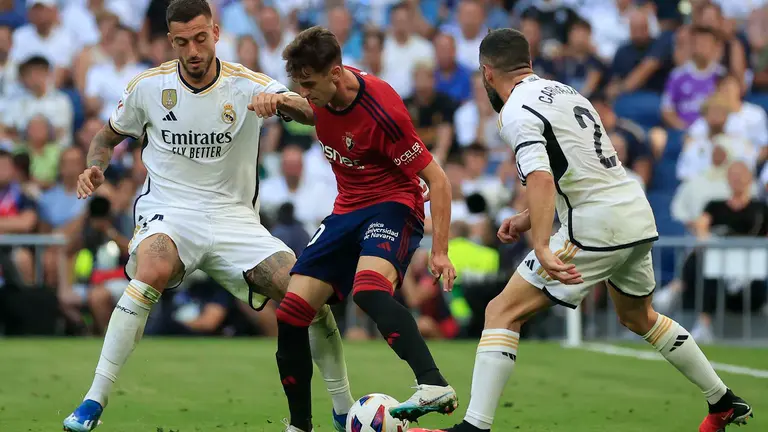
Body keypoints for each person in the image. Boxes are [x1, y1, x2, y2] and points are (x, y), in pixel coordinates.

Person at [410, 28, 753, 432]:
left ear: (487, 73)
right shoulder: (568, 93)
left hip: (595, 226)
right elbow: (576, 170)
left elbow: (540, 176)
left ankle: (474, 427)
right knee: (638, 316)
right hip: (634, 214)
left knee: (501, 311)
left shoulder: (515, 110)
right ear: (529, 63)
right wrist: (526, 217)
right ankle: (722, 400)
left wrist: (540, 244)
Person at [62, 1, 353, 431]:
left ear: (215, 33)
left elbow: (312, 111)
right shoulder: (148, 87)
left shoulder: (247, 84)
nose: (194, 50)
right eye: (183, 42)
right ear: (170, 41)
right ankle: (93, 400)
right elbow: (105, 138)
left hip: (235, 219)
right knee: (152, 269)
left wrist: (281, 102)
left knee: (305, 295)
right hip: (171, 213)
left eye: (201, 38)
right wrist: (95, 166)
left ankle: (344, 409)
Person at [273, 26, 458, 432]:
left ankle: (433, 384)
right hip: (347, 210)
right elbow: (314, 111)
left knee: (369, 291)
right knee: (291, 313)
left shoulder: (383, 111)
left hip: (393, 204)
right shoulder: (321, 95)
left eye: (309, 84)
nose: (304, 92)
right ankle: (300, 426)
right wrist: (284, 104)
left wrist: (440, 251)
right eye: (299, 85)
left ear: (335, 73)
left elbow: (438, 180)